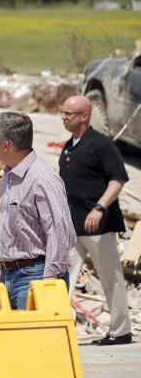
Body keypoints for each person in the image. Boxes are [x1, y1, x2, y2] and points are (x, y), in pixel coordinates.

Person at [59, 95, 133, 345]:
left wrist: (100, 207)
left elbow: (118, 180)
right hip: (72, 224)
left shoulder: (101, 145)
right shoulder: (69, 146)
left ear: (84, 116)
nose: (64, 117)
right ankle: (58, 327)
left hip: (98, 225)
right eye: (63, 112)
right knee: (62, 276)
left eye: (69, 113)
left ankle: (121, 330)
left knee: (110, 277)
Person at [0, 112, 75, 309]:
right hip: (9, 277)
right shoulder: (10, 174)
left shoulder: (43, 179)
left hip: (35, 278)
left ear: (5, 145)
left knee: (36, 339)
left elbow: (60, 233)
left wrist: (48, 284)